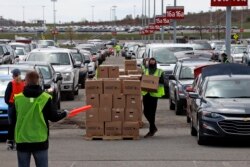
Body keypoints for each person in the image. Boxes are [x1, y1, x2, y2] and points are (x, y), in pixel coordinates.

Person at [11, 71, 68, 167]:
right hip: (40, 140)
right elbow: (53, 117)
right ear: (38, 81)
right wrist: (65, 114)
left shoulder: (18, 99)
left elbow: (12, 120)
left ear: (26, 81)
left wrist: (10, 138)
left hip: (22, 140)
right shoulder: (45, 98)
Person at [141, 57, 165, 138]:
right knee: (145, 112)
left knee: (152, 113)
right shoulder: (145, 70)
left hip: (154, 94)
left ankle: (151, 130)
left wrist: (154, 80)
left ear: (155, 63)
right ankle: (153, 127)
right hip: (146, 93)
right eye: (150, 61)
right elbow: (142, 79)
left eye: (153, 61)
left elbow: (162, 81)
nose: (151, 62)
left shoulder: (160, 71)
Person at [4, 68, 25, 150]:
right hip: (18, 107)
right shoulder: (22, 83)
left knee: (13, 125)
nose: (13, 76)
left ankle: (13, 142)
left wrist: (10, 103)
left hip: (15, 106)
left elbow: (6, 97)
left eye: (14, 75)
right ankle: (15, 141)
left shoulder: (14, 83)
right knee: (16, 125)